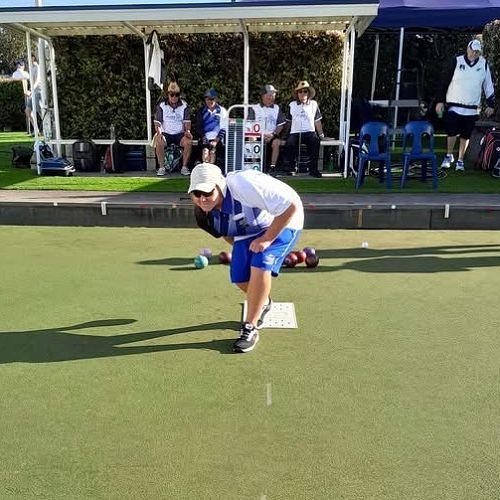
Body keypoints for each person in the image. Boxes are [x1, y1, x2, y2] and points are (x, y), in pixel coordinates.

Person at [188, 162, 304, 353]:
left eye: (207, 192)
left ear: (219, 186)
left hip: (286, 218)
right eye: (197, 193)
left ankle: (250, 327)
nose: (202, 199)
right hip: (250, 228)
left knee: (261, 260)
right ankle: (264, 302)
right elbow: (226, 233)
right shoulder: (203, 215)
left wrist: (267, 239)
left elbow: (290, 206)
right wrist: (242, 254)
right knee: (239, 276)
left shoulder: (243, 185)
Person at [436, 39, 496, 172]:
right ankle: (449, 155)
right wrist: (440, 101)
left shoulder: (484, 64)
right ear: (468, 48)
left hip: (471, 108)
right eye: (473, 50)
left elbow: (488, 86)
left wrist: (491, 104)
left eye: (477, 52)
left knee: (465, 135)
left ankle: (460, 160)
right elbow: (444, 81)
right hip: (454, 105)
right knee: (451, 132)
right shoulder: (456, 61)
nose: (474, 53)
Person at [283, 80, 325, 178]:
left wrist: (321, 135)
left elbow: (317, 121)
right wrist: (284, 135)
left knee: (315, 141)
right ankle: (291, 168)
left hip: (309, 132)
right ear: (297, 94)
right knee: (290, 142)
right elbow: (288, 122)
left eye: (305, 91)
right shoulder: (292, 105)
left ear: (308, 93)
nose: (302, 94)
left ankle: (313, 169)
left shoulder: (314, 104)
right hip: (295, 132)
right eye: (300, 92)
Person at [153, 81, 192, 176]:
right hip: (166, 133)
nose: (174, 97)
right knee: (159, 141)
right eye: (172, 95)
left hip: (180, 134)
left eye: (177, 95)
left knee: (188, 142)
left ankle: (184, 167)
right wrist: (159, 133)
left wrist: (187, 132)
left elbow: (187, 122)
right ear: (168, 95)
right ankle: (161, 168)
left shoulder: (184, 105)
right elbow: (158, 123)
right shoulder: (162, 105)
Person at [247, 84, 286, 175]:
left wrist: (273, 134)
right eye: (270, 94)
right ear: (263, 96)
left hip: (272, 135)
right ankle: (255, 166)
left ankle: (272, 167)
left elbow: (280, 125)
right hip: (257, 135)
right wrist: (260, 135)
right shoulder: (254, 108)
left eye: (273, 95)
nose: (272, 97)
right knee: (252, 139)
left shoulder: (277, 108)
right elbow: (249, 125)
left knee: (276, 142)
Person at [196, 88, 227, 165]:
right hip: (205, 138)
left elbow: (224, 128)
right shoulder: (201, 111)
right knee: (205, 152)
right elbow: (199, 127)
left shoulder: (222, 110)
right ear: (205, 100)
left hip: (218, 140)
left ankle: (211, 169)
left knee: (212, 152)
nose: (210, 101)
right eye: (208, 99)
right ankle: (206, 169)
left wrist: (216, 140)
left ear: (216, 99)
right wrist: (204, 137)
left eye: (212, 99)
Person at [26, 55, 42, 135]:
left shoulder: (37, 67)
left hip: (38, 90)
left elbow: (37, 80)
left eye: (30, 57)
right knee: (28, 111)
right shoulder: (30, 68)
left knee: (40, 111)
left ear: (34, 58)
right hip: (33, 91)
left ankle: (48, 128)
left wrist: (30, 90)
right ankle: (36, 130)